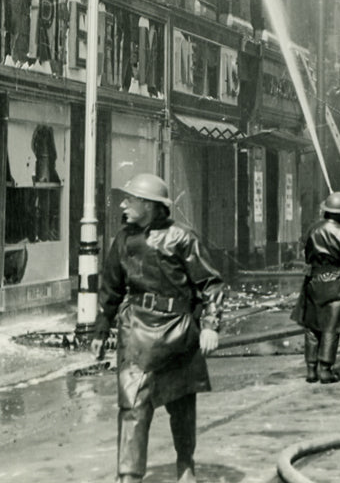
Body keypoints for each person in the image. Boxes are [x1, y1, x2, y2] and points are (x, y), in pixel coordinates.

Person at [90, 173, 223, 483]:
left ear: (149, 205)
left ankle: (185, 464)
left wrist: (210, 325)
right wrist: (100, 330)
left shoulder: (182, 238)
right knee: (132, 403)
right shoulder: (123, 240)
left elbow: (210, 284)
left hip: (178, 330)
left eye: (130, 199)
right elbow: (110, 289)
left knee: (181, 403)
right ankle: (129, 476)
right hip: (136, 330)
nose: (123, 204)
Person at [291, 191, 340, 384]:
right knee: (331, 327)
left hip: (314, 280)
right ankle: (325, 369)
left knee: (312, 326)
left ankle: (311, 369)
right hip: (337, 282)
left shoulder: (313, 230)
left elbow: (307, 255)